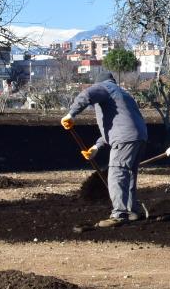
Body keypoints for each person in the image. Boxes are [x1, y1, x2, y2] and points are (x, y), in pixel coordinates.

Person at [61, 74, 149, 228]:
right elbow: (119, 125)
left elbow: (86, 95)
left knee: (117, 173)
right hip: (139, 137)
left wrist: (70, 115)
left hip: (125, 139)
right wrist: (96, 147)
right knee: (129, 174)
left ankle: (119, 214)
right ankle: (132, 211)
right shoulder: (122, 94)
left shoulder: (105, 87)